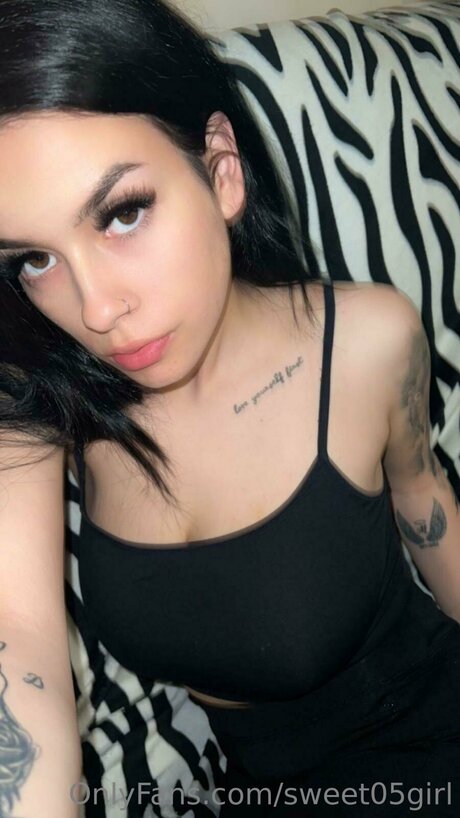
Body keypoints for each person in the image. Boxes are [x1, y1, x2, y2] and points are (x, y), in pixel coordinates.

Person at [0, 0, 458, 815]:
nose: (96, 310)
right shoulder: (43, 398)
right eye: (34, 259)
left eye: (123, 213)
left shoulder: (367, 340)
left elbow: (430, 512)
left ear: (221, 171)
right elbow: (18, 641)